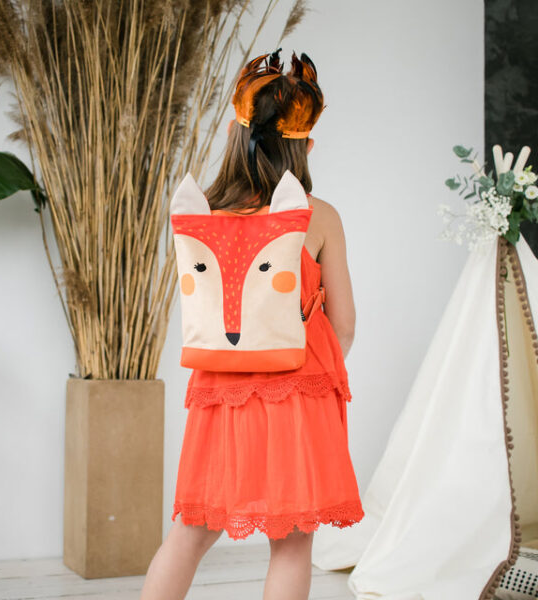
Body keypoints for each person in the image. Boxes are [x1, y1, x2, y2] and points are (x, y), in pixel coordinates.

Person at [139, 49, 364, 600]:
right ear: (306, 147)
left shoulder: (203, 214)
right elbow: (344, 325)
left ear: (236, 137)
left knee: (191, 532)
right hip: (300, 390)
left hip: (220, 391)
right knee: (292, 543)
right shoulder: (319, 216)